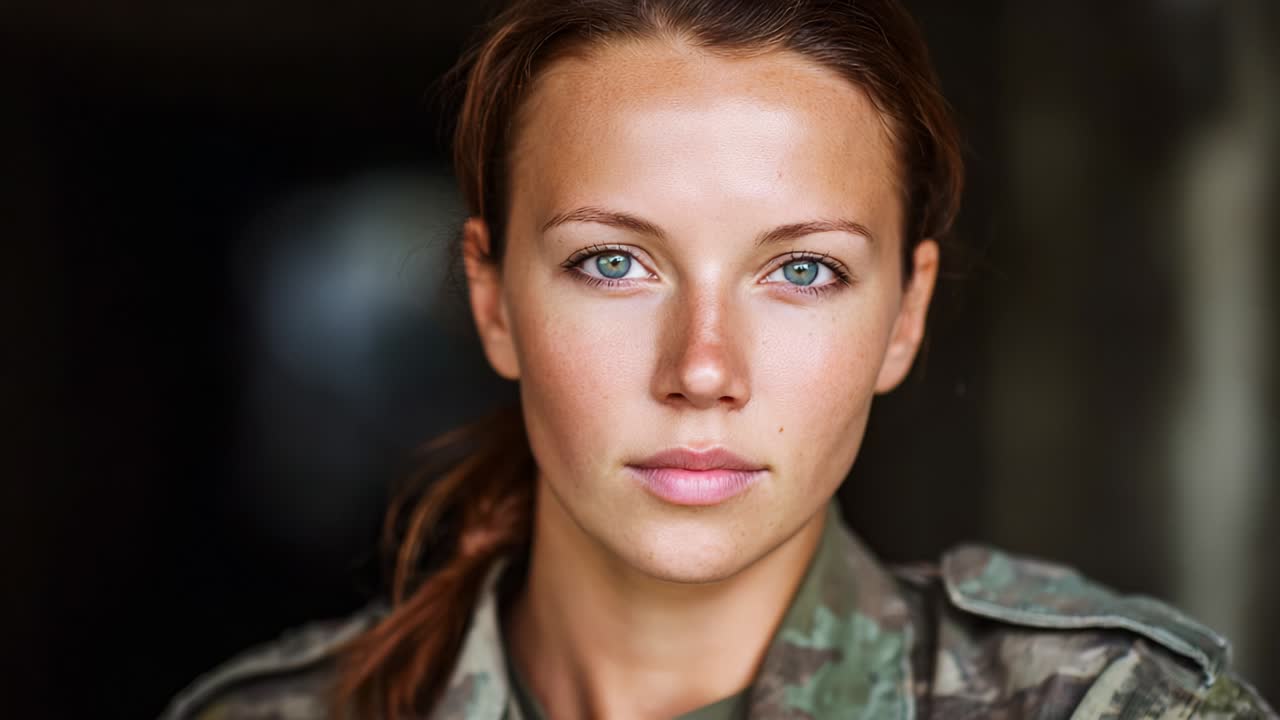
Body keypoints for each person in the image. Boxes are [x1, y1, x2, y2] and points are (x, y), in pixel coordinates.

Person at [162, 0, 1276, 718]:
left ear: (904, 317)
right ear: (492, 302)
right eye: (612, 263)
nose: (702, 369)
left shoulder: (1114, 708)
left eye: (802, 270)